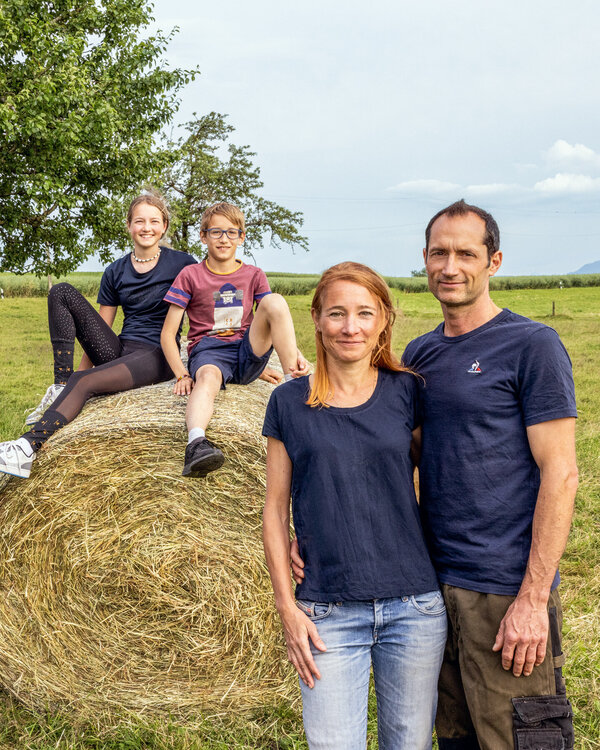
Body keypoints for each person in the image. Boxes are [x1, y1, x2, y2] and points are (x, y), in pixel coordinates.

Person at [262, 262, 447, 750]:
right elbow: (274, 510)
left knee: (408, 744)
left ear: (384, 319)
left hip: (413, 605)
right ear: (317, 319)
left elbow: (436, 481)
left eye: (365, 313)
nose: (351, 327)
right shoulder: (286, 403)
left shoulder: (408, 391)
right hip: (326, 610)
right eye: (337, 313)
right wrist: (288, 608)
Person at [0, 192, 197, 480]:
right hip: (122, 348)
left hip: (157, 354)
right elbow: (100, 331)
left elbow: (206, 309)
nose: (146, 227)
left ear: (164, 226)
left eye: (154, 221)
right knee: (61, 291)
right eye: (139, 221)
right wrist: (71, 385)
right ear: (128, 225)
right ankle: (60, 385)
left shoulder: (182, 264)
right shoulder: (115, 270)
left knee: (85, 381)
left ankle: (27, 448)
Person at [161, 201, 308, 478]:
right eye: (216, 232)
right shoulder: (190, 275)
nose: (224, 239)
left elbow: (273, 318)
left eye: (231, 232)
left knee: (274, 301)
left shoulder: (254, 275)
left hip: (246, 350)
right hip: (209, 351)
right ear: (203, 236)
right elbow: (169, 334)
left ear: (242, 237)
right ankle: (196, 443)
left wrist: (294, 354)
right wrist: (181, 374)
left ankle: (297, 391)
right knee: (207, 379)